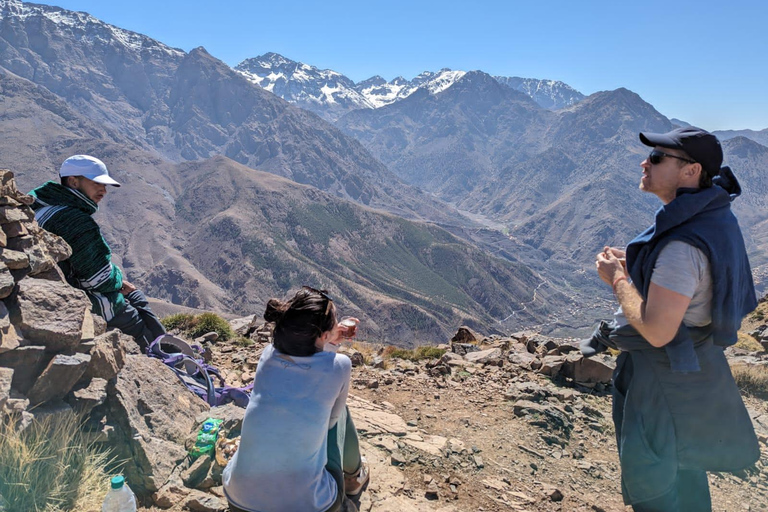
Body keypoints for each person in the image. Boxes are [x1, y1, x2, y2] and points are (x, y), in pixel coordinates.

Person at [582, 127, 760, 511]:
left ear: (691, 171)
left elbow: (658, 330)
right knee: (684, 468)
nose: (644, 162)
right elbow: (693, 284)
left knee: (656, 482)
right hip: (686, 373)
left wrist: (617, 278)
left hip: (660, 379)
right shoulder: (711, 217)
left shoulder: (681, 245)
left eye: (659, 158)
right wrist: (642, 269)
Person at [223, 286, 369, 512]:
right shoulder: (340, 366)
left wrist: (328, 337)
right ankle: (353, 478)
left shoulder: (267, 355)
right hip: (311, 505)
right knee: (339, 414)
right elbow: (330, 423)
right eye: (334, 320)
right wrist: (331, 343)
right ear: (321, 334)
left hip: (239, 500)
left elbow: (306, 357)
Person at [29, 155, 166, 351]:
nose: (103, 190)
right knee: (143, 325)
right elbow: (97, 280)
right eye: (96, 183)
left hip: (47, 297)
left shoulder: (41, 207)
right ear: (73, 181)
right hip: (83, 304)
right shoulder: (74, 220)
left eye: (105, 184)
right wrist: (118, 278)